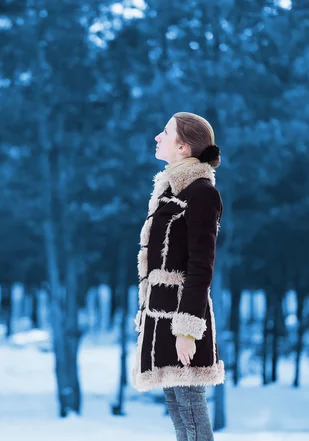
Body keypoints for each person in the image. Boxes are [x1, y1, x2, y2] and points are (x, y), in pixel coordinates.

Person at [131, 112, 224, 441]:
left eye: (166, 132)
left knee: (190, 405)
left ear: (184, 147)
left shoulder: (201, 193)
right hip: (160, 315)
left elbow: (202, 266)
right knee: (177, 406)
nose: (157, 136)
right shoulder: (169, 190)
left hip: (184, 317)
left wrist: (187, 330)